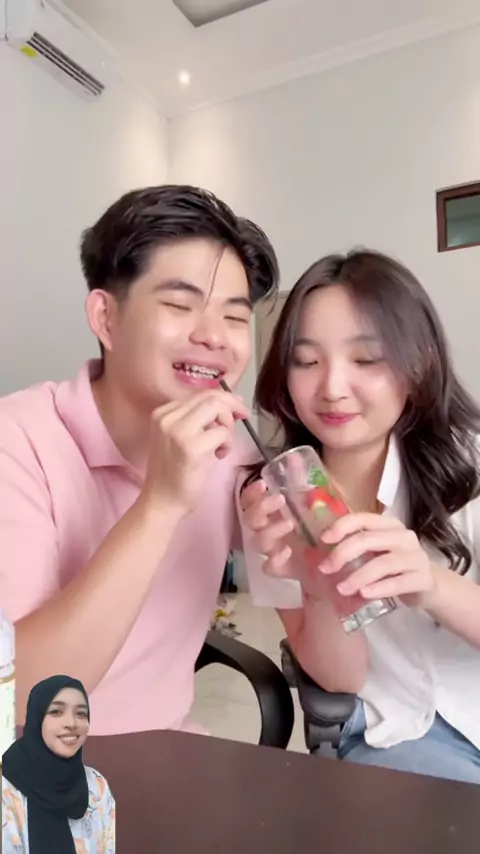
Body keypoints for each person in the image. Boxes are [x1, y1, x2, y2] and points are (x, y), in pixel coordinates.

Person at [0, 184, 279, 733]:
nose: (213, 337)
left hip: (167, 749)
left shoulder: (231, 450)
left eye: (234, 317)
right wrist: (161, 504)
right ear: (106, 318)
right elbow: (21, 697)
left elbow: (313, 610)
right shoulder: (16, 440)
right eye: (178, 306)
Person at [240, 249, 480, 784]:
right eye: (306, 361)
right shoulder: (272, 502)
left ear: (418, 365)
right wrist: (318, 586)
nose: (332, 387)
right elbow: (339, 679)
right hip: (395, 733)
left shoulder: (472, 466)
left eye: (366, 359)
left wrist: (431, 584)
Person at [2, 675, 115, 853]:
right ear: (37, 718)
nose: (71, 723)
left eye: (81, 713)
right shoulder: (6, 787)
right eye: (56, 712)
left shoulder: (96, 785)